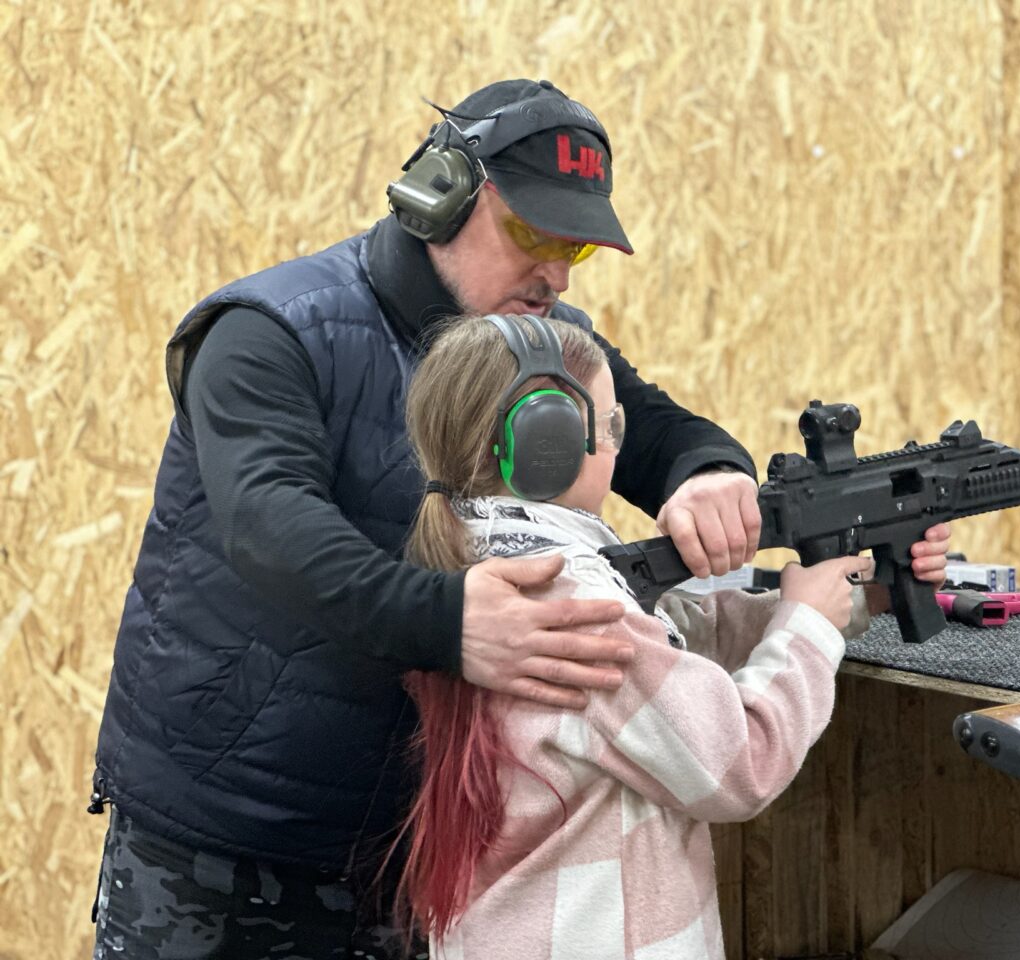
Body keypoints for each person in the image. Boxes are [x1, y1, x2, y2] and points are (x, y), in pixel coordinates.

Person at [90, 79, 766, 957]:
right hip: (221, 846)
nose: (557, 274)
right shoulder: (270, 334)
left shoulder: (537, 339)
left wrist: (708, 471)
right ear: (437, 196)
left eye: (575, 247)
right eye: (534, 233)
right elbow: (272, 525)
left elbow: (654, 428)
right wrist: (449, 623)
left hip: (419, 858)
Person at [388, 313, 951, 958]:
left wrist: (852, 596)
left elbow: (673, 642)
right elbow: (742, 764)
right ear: (548, 443)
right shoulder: (574, 602)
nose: (619, 446)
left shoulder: (488, 559)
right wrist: (809, 628)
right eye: (610, 426)